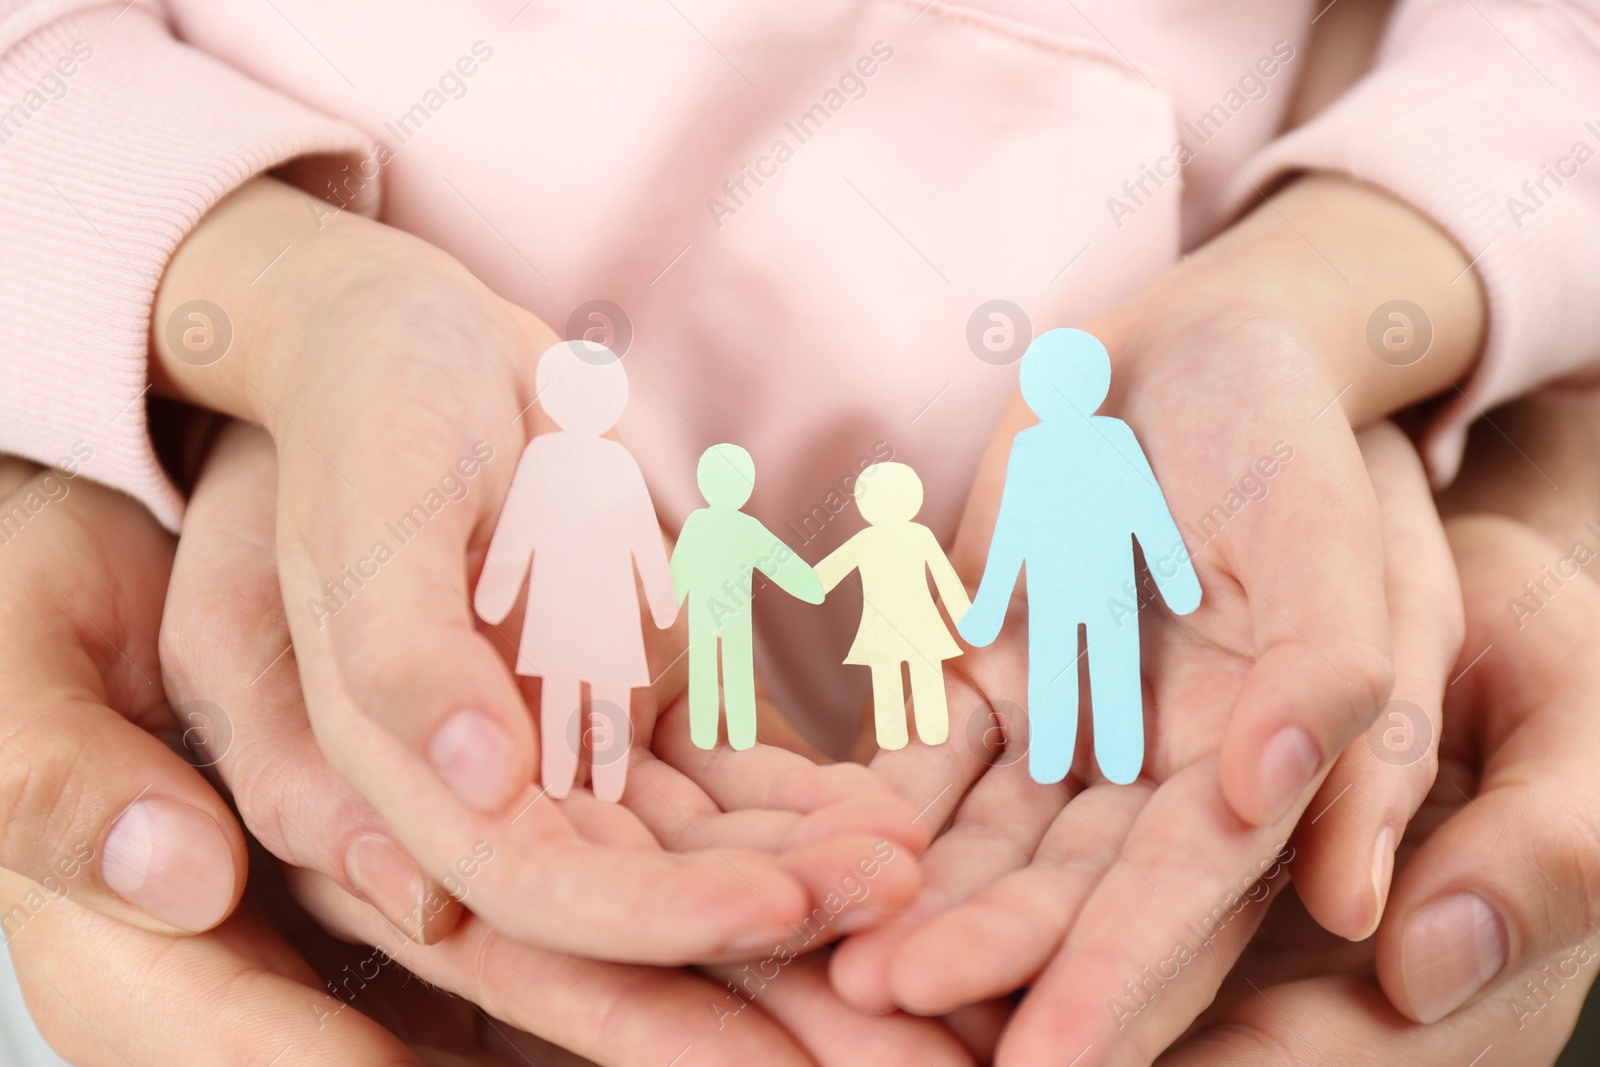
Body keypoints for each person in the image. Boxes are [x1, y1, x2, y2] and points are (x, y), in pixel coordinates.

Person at [959, 327, 1202, 786]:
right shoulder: (1033, 447)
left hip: (1093, 584)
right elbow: (1015, 528)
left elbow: (1144, 506)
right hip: (1071, 587)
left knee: (1085, 667)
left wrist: (989, 609)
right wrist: (1178, 582)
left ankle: (1106, 757)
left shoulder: (1099, 439)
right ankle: (1063, 757)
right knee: (1085, 667)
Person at [474, 341, 677, 803]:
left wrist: (495, 594)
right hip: (578, 597)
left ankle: (592, 779)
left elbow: (642, 535)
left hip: (587, 598)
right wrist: (663, 601)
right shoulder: (556, 457)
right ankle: (567, 776)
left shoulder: (586, 459)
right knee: (578, 684)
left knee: (581, 685)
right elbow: (520, 526)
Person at [671, 442, 823, 751]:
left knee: (708, 667)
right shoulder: (735, 526)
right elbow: (781, 563)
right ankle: (727, 734)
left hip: (714, 610)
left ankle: (714, 733)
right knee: (726, 668)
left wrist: (667, 608)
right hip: (726, 610)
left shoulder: (704, 524)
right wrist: (810, 585)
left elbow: (679, 571)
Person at [815, 462, 971, 750]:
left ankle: (920, 730)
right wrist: (965, 615)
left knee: (906, 674)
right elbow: (826, 576)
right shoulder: (907, 535)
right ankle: (908, 732)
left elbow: (823, 578)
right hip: (906, 624)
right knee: (906, 674)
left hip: (897, 624)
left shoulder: (901, 536)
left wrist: (802, 581)